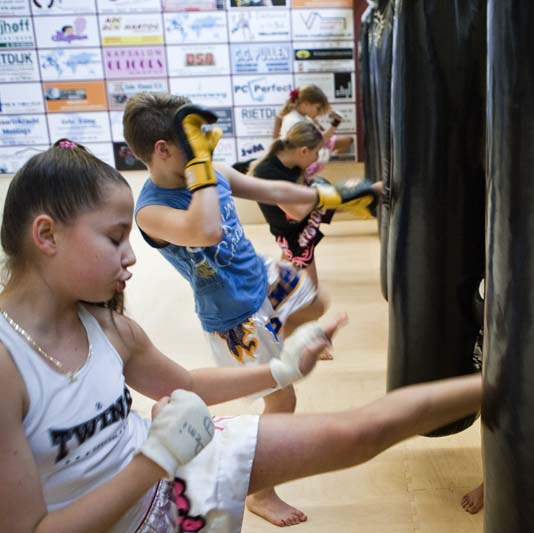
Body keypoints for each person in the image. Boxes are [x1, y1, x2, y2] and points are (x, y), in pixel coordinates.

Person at [0, 139, 483, 532]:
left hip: (172, 479)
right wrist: (157, 458)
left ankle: (510, 382)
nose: (130, 256)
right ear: (46, 235)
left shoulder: (106, 325)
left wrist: (281, 367)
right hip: (145, 486)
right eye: (114, 238)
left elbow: (185, 383)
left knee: (357, 432)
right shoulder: (9, 361)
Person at [122, 92, 376, 526]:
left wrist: (330, 198)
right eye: (193, 145)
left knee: (317, 301)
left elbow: (270, 187)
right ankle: (260, 492)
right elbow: (205, 230)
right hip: (232, 317)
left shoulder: (212, 171)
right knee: (284, 398)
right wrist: (202, 168)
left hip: (261, 276)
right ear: (162, 150)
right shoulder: (151, 210)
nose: (205, 151)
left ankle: (278, 340)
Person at [250, 121, 380, 289]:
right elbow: (299, 212)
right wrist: (338, 196)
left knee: (288, 289)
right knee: (309, 291)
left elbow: (315, 204)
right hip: (293, 234)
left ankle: (274, 307)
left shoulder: (294, 165)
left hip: (297, 227)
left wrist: (365, 192)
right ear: (303, 151)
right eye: (317, 152)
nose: (317, 157)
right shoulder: (268, 172)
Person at [274, 85, 354, 175]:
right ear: (305, 104)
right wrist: (334, 124)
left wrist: (334, 124)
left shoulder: (304, 118)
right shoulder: (293, 120)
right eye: (318, 108)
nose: (318, 112)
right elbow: (318, 142)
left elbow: (320, 140)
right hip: (295, 170)